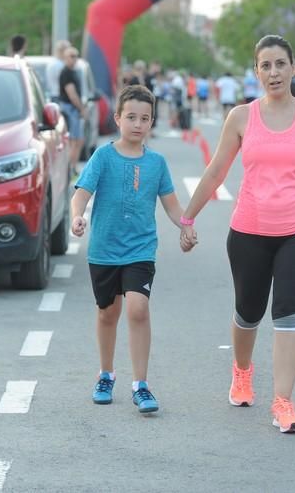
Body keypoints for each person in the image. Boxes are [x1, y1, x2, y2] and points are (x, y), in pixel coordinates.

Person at [179, 34, 295, 434]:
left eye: (280, 64)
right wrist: (188, 218)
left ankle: (283, 402)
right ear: (256, 72)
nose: (273, 72)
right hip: (248, 230)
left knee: (287, 312)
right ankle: (242, 370)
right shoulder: (241, 118)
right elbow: (217, 170)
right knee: (248, 312)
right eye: (265, 66)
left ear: (293, 68)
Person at [70, 85, 189, 413]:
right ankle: (106, 374)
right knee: (108, 312)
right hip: (104, 250)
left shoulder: (157, 163)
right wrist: (77, 215)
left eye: (145, 118)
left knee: (138, 308)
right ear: (118, 118)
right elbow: (81, 192)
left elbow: (172, 205)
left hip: (140, 249)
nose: (138, 124)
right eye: (131, 117)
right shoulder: (103, 156)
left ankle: (141, 384)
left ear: (151, 123)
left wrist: (186, 226)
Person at [59, 47, 88, 175]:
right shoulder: (66, 73)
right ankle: (70, 170)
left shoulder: (74, 71)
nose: (74, 58)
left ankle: (72, 168)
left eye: (76, 55)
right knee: (75, 140)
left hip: (72, 108)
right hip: (70, 108)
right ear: (65, 58)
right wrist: (82, 109)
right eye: (71, 55)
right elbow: (72, 94)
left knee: (77, 140)